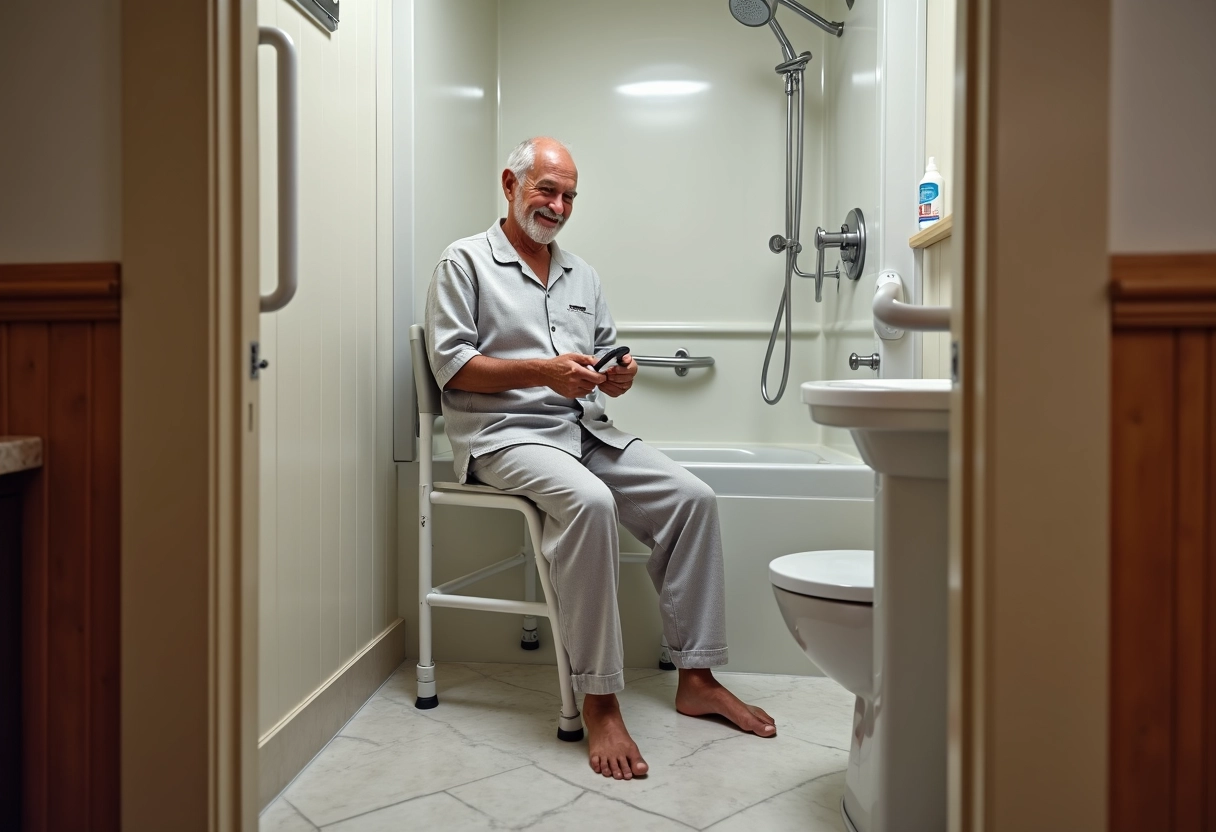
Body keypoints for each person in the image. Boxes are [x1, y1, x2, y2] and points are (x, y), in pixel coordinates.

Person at [425, 136, 776, 781]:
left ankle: (697, 678)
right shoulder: (464, 262)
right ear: (510, 184)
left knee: (692, 498)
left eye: (568, 196)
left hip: (583, 429)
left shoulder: (581, 275)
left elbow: (607, 358)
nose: (557, 207)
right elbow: (452, 367)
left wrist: (619, 376)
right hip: (504, 434)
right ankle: (600, 700)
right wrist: (544, 372)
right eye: (546, 190)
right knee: (591, 503)